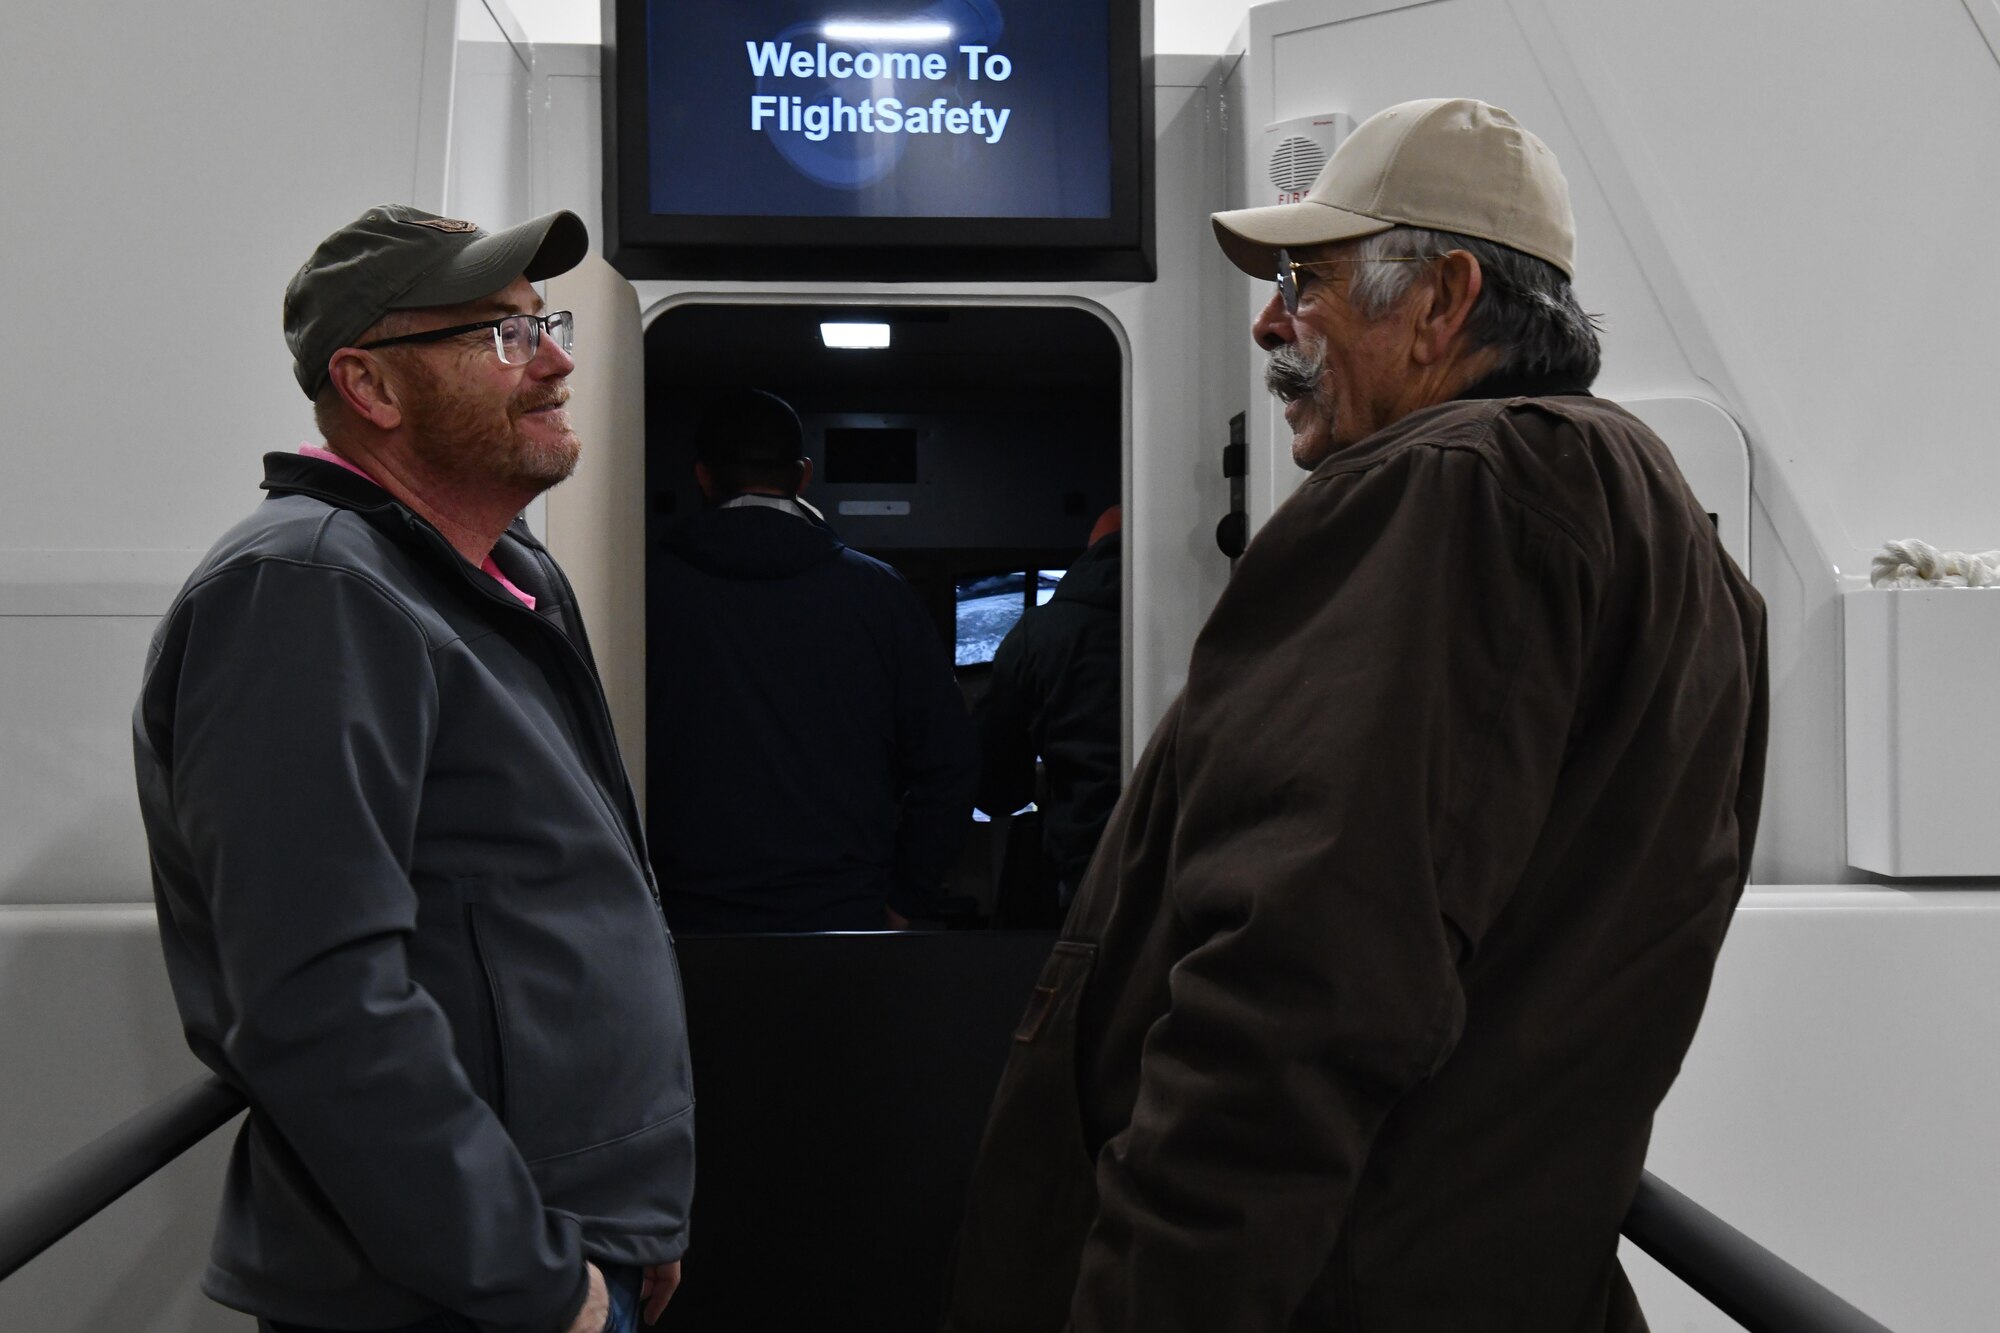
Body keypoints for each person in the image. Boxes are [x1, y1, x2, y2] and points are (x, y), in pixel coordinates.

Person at [943, 98, 1769, 1332]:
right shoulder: (1663, 523)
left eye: (1306, 279)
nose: (1273, 321)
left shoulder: (1440, 492)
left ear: (1440, 299)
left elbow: (1294, 989)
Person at [133, 205, 690, 1333]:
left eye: (546, 323)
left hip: (567, 1240)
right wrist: (543, 1280)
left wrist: (627, 1224)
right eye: (500, 336)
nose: (555, 360)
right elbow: (318, 1004)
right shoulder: (308, 589)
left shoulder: (491, 572)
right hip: (455, 1292)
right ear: (371, 387)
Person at [648, 388, 977, 933]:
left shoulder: (643, 591)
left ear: (703, 477)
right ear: (802, 476)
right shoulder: (879, 594)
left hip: (683, 918)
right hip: (846, 915)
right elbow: (950, 762)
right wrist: (907, 897)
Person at [972, 505, 1123, 917]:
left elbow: (997, 791)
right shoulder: (1209, 609)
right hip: (1191, 857)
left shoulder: (1036, 635)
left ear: (1090, 553)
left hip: (1087, 868)